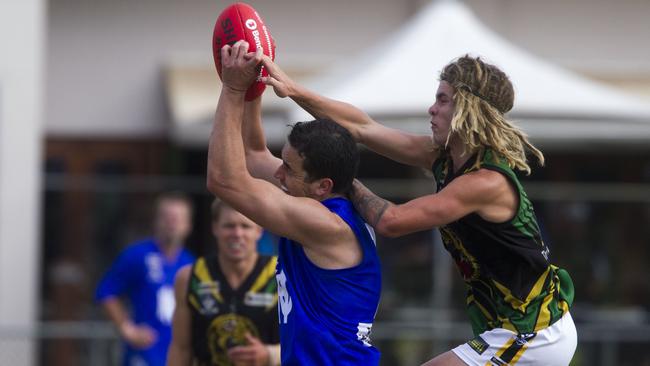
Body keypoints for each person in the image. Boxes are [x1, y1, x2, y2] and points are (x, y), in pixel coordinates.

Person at [259, 54, 577, 365]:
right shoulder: (445, 158)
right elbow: (362, 127)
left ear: (468, 108)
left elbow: (392, 222)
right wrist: (293, 89)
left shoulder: (485, 183)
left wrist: (342, 181)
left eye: (443, 100)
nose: (432, 108)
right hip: (510, 329)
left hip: (533, 332)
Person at [206, 41, 382, 365]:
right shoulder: (316, 199)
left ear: (322, 186)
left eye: (287, 168)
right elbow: (253, 155)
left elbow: (224, 179)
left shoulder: (325, 224)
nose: (277, 172)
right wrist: (253, 84)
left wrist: (232, 88)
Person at [167, 199, 280, 366]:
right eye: (229, 226)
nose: (237, 233)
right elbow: (180, 348)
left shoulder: (281, 276)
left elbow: (305, 343)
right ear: (215, 228)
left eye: (245, 226)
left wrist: (269, 355)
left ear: (259, 230)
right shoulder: (191, 277)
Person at [96, 191, 196, 366]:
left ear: (188, 225)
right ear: (156, 220)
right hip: (143, 356)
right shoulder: (138, 255)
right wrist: (127, 329)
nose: (172, 224)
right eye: (167, 217)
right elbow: (106, 292)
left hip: (175, 356)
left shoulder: (190, 263)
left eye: (178, 218)